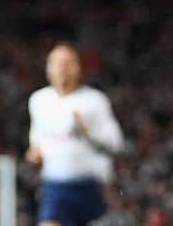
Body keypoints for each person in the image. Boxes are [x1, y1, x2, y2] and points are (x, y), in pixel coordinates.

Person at [25, 43, 123, 226]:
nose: (62, 67)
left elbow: (116, 143)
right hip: (54, 187)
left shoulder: (94, 101)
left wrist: (87, 131)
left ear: (78, 68)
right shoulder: (39, 100)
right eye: (56, 62)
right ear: (48, 68)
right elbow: (37, 138)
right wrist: (34, 153)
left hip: (91, 186)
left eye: (67, 62)